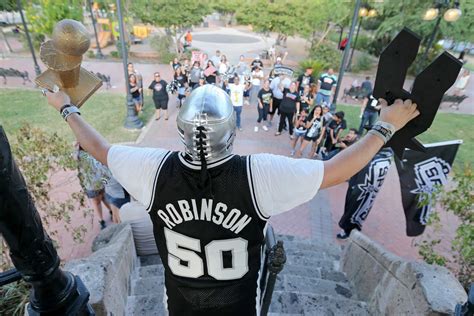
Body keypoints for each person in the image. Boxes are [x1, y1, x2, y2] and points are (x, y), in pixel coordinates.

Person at [46, 84, 419, 315]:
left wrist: (67, 107)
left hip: (179, 304)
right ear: (234, 130)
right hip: (239, 306)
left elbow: (98, 148)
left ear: (180, 130)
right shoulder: (260, 174)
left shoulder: (151, 168)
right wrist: (386, 125)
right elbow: (337, 169)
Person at [75, 143, 113, 230]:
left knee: (102, 198)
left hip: (97, 182)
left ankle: (110, 212)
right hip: (92, 184)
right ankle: (102, 219)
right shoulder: (83, 155)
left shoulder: (85, 154)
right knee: (98, 200)